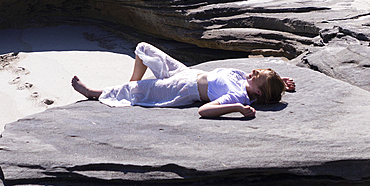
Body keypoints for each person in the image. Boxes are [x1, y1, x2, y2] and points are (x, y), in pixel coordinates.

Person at [71, 42, 295, 119]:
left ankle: (94, 93)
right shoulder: (244, 79)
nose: (254, 71)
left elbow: (204, 111)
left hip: (181, 89)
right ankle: (132, 87)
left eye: (259, 76)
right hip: (186, 73)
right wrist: (280, 83)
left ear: (258, 93)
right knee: (144, 50)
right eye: (258, 71)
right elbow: (263, 82)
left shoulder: (238, 96)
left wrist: (236, 108)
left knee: (143, 86)